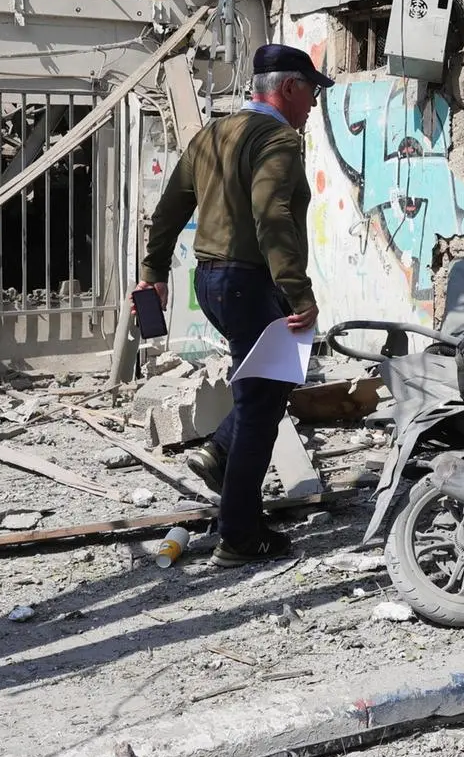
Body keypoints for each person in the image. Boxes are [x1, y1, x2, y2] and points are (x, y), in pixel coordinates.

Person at [137, 44, 333, 566]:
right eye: (311, 91)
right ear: (289, 88)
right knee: (263, 404)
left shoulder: (211, 135)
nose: (313, 103)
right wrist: (299, 293)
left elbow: (168, 209)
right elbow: (272, 218)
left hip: (213, 284)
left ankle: (220, 453)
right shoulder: (278, 140)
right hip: (252, 284)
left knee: (265, 389)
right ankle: (240, 534)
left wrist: (154, 272)